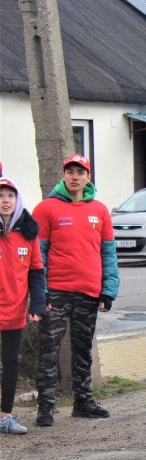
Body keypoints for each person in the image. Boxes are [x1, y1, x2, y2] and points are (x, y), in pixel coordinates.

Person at [32, 154, 119, 427]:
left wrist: (108, 290)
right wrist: (40, 293)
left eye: (80, 172)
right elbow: (38, 256)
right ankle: (46, 407)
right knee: (49, 350)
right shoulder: (46, 208)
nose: (74, 176)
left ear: (88, 177)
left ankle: (83, 402)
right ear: (63, 175)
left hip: (88, 292)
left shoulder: (101, 210)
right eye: (70, 171)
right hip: (55, 292)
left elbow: (108, 254)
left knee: (83, 350)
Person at [0, 176, 46, 435]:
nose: (5, 201)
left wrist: (37, 305)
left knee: (11, 363)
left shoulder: (28, 234)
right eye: (1, 196)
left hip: (14, 311)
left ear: (17, 200)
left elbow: (36, 273)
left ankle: (5, 416)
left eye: (10, 196)